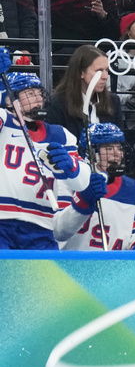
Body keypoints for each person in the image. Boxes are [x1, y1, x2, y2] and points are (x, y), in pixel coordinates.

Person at [0, 59, 91, 250]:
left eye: (39, 93)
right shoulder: (4, 121)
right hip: (3, 221)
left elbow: (82, 183)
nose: (38, 99)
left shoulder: (60, 134)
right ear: (9, 99)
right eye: (29, 93)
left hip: (41, 225)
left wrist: (70, 167)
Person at [53, 122, 135, 251]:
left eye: (119, 148)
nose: (117, 154)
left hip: (115, 267)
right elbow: (58, 230)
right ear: (90, 153)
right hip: (72, 266)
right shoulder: (69, 181)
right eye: (108, 148)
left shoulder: (134, 189)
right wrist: (82, 203)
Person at [47, 45, 123, 138]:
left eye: (106, 70)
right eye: (99, 71)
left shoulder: (113, 101)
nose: (105, 76)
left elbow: (119, 142)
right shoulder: (57, 103)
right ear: (81, 72)